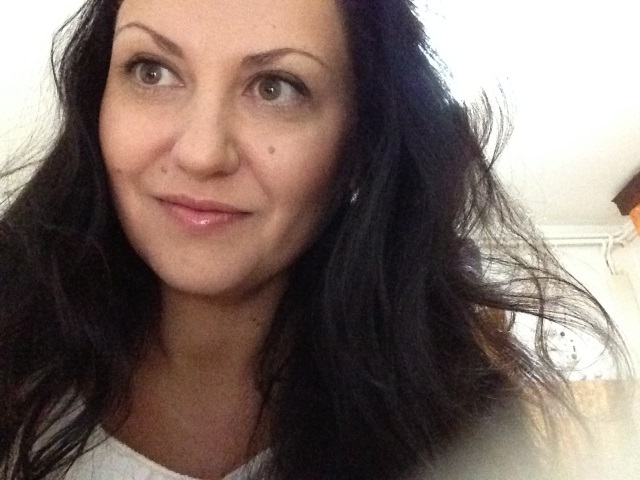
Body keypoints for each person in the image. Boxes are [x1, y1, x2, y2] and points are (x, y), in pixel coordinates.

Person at [0, 0, 628, 479]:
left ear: (357, 152)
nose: (200, 153)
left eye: (276, 87)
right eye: (153, 71)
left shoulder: (456, 435)